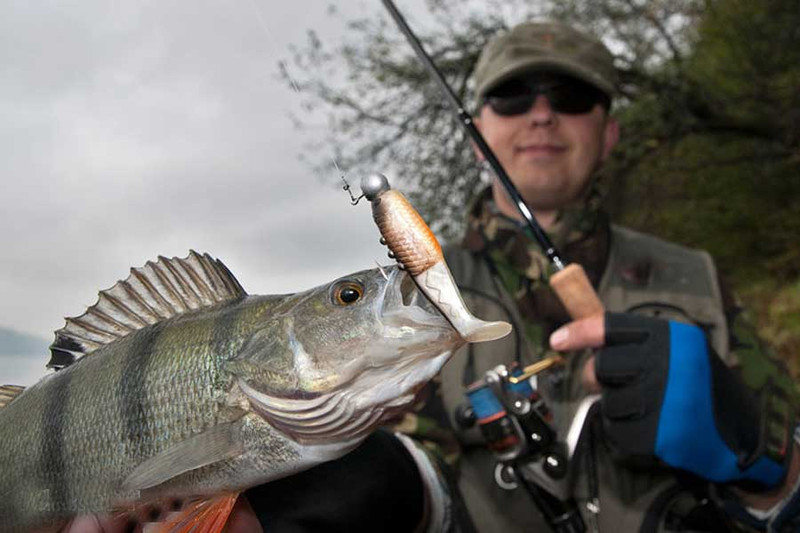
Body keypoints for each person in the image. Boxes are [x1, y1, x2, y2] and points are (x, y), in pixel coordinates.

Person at [70, 20, 799, 533]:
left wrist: (764, 460)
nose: (542, 115)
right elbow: (400, 469)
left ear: (609, 130)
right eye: (514, 98)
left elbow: (788, 481)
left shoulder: (698, 275)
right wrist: (356, 490)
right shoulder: (420, 301)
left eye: (571, 98)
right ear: (480, 137)